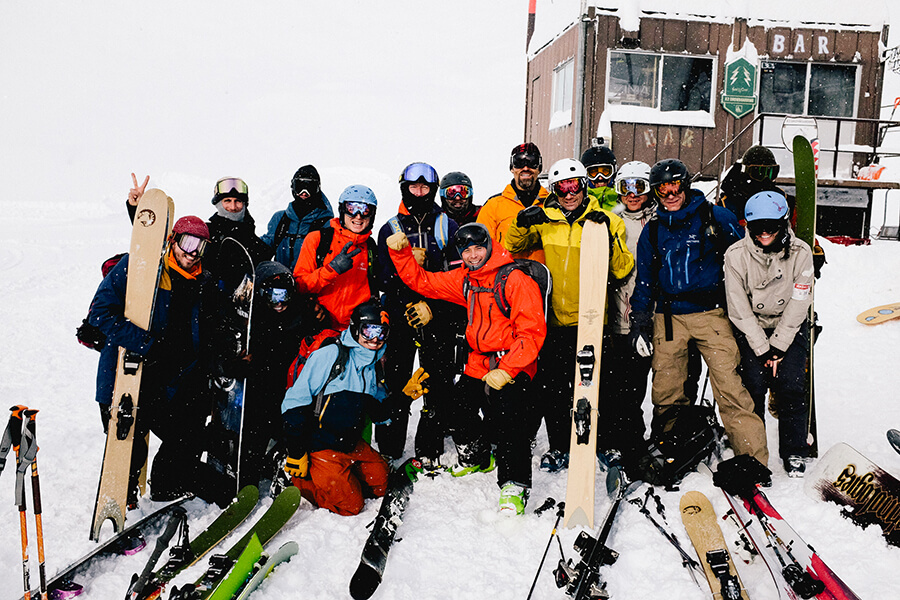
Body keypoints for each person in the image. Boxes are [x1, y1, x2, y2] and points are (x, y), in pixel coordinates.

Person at [386, 222, 547, 515]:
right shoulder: (467, 280)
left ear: (489, 246)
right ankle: (477, 455)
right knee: (454, 404)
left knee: (511, 414)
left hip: (513, 361)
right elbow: (423, 282)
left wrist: (508, 368)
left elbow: (531, 332)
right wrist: (402, 254)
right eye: (467, 250)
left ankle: (515, 482)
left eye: (478, 248)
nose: (473, 255)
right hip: (479, 361)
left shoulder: (515, 280)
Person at [628, 159, 769, 469]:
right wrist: (639, 319)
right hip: (669, 317)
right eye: (662, 188)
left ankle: (752, 456)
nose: (670, 194)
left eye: (675, 185)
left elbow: (744, 265)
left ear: (686, 184)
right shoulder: (652, 231)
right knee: (667, 388)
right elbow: (646, 280)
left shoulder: (716, 218)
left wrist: (750, 311)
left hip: (711, 314)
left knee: (729, 386)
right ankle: (670, 445)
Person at [503, 158, 634, 473]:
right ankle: (561, 446)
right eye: (561, 187)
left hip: (593, 318)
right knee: (556, 388)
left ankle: (605, 445)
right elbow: (512, 245)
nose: (568, 193)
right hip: (557, 317)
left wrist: (610, 237)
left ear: (583, 186)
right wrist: (522, 221)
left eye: (574, 185)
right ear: (554, 190)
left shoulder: (607, 220)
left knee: (601, 386)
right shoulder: (546, 220)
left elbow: (622, 268)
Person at [88, 216, 222, 503]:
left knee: (187, 437)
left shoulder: (203, 281)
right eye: (187, 243)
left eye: (200, 246)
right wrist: (147, 344)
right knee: (128, 448)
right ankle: (120, 507)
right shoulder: (141, 268)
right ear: (173, 241)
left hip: (171, 382)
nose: (192, 252)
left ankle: (166, 484)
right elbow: (99, 313)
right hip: (128, 378)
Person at [281, 300, 402, 516]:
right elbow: (294, 403)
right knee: (351, 506)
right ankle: (301, 480)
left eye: (381, 333)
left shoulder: (372, 365)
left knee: (382, 484)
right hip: (319, 444)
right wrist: (297, 452)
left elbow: (377, 412)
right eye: (368, 331)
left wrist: (405, 397)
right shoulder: (330, 355)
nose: (374, 339)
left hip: (348, 444)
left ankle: (340, 475)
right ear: (356, 329)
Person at [375, 162, 460, 466]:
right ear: (405, 188)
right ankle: (389, 446)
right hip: (400, 315)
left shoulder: (446, 226)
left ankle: (429, 447)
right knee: (396, 381)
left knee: (436, 381)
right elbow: (381, 279)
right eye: (414, 187)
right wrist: (404, 270)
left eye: (425, 188)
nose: (420, 193)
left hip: (435, 315)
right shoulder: (391, 228)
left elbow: (457, 278)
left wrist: (432, 307)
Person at [724, 191, 814, 476]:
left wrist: (779, 345)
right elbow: (738, 307)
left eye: (771, 226)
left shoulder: (801, 253)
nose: (764, 233)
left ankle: (795, 449)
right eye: (757, 226)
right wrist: (762, 347)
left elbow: (801, 301)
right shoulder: (735, 255)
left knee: (791, 386)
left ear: (783, 223)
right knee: (753, 387)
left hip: (789, 325)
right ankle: (753, 448)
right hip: (752, 327)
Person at [217, 260, 316, 492]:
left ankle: (278, 468)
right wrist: (234, 365)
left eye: (284, 296)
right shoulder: (248, 318)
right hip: (257, 389)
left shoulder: (300, 315)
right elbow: (223, 352)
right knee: (254, 434)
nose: (279, 303)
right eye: (273, 296)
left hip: (287, 387)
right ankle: (244, 481)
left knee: (288, 430)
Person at [603, 161, 655, 470]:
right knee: (620, 383)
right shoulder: (612, 220)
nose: (632, 194)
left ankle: (640, 440)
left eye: (639, 187)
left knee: (647, 382)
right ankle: (618, 440)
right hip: (620, 315)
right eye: (626, 188)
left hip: (651, 313)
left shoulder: (660, 219)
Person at [477, 143, 549, 261]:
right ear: (512, 168)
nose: (525, 168)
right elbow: (481, 250)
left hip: (543, 277)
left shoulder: (551, 204)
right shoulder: (493, 205)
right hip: (506, 275)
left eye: (532, 162)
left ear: (539, 168)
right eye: (519, 162)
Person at [263, 165, 334, 270]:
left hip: (311, 283)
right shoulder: (281, 219)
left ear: (317, 189)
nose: (304, 193)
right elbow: (264, 249)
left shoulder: (327, 223)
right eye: (299, 187)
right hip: (281, 281)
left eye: (310, 187)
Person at [204, 177, 273, 275]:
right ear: (218, 204)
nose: (233, 207)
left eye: (238, 201)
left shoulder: (256, 244)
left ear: (244, 204)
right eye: (227, 201)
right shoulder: (206, 234)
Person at [580, 145, 619, 212]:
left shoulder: (624, 199)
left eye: (605, 171)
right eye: (593, 173)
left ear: (613, 171)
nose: (600, 177)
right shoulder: (578, 201)